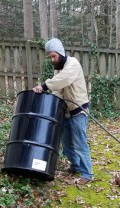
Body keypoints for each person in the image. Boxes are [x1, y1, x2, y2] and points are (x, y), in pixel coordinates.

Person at [32, 38, 93, 184]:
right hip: (66, 112)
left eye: (54, 56)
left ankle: (87, 174)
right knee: (66, 144)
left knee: (79, 143)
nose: (52, 60)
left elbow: (63, 80)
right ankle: (75, 166)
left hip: (78, 111)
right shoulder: (58, 69)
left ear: (61, 53)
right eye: (50, 57)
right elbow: (58, 90)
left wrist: (44, 86)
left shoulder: (72, 64)